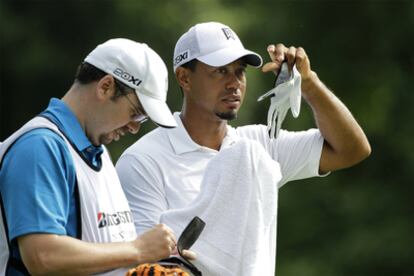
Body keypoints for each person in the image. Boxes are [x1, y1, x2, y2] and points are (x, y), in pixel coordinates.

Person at [116, 22, 371, 274]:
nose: (234, 83)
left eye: (240, 71)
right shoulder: (142, 160)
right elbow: (146, 265)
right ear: (184, 77)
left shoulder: (258, 146)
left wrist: (309, 84)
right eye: (220, 71)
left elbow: (351, 150)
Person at [0, 38, 185, 275]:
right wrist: (137, 250)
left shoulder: (97, 150)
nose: (134, 128)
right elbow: (42, 256)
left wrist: (155, 256)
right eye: (136, 113)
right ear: (105, 86)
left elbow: (104, 247)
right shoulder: (39, 147)